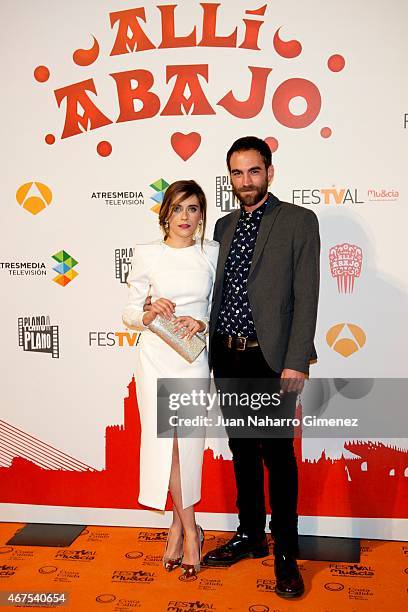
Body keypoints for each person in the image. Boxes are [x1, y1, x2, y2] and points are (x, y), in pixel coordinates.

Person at [202, 136, 320, 599]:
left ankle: (286, 555)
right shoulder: (223, 226)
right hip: (227, 354)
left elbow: (306, 294)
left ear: (270, 172)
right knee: (243, 452)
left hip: (271, 360)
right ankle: (251, 536)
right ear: (229, 177)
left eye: (253, 171)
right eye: (236, 173)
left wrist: (296, 361)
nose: (245, 181)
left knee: (278, 458)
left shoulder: (298, 221)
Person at [122, 180, 219, 578]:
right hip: (156, 358)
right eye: (178, 208)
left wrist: (202, 322)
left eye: (193, 209)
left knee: (189, 446)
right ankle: (189, 531)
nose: (185, 217)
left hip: (192, 358)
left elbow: (222, 307)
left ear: (201, 215)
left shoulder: (211, 252)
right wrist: (149, 312)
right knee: (167, 446)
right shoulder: (147, 253)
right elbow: (129, 312)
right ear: (165, 212)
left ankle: (181, 526)